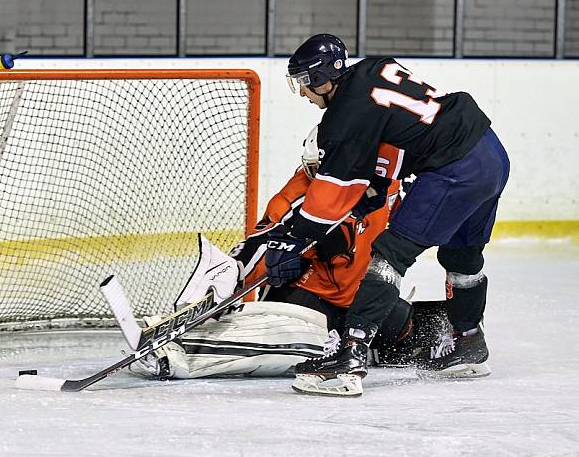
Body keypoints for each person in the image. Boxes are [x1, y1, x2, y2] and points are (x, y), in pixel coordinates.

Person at [268, 34, 510, 396]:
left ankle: (351, 355)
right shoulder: (374, 68)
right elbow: (403, 131)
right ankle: (468, 343)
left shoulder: (343, 116)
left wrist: (295, 238)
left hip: (454, 167)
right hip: (490, 153)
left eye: (305, 82)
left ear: (322, 79)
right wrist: (379, 184)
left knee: (388, 255)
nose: (303, 93)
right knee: (462, 255)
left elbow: (328, 197)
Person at [129, 129, 448, 382]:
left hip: (361, 300)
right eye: (311, 170)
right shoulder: (297, 195)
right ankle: (183, 353)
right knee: (287, 341)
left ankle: (373, 346)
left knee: (404, 325)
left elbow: (425, 215)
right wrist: (234, 276)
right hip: (309, 296)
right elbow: (258, 244)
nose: (315, 178)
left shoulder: (384, 184)